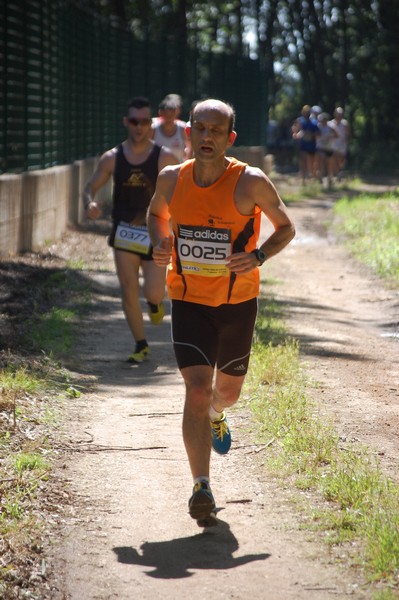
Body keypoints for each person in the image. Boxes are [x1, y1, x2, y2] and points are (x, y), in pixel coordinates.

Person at [147, 99, 295, 527]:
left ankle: (217, 414)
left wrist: (259, 256)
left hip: (236, 304)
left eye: (216, 130)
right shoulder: (172, 178)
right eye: (200, 128)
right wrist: (161, 242)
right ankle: (201, 485)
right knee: (196, 387)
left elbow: (286, 226)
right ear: (188, 132)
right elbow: (156, 215)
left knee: (224, 393)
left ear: (229, 138)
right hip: (190, 301)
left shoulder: (250, 181)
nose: (206, 136)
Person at [82, 96, 178, 363]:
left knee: (154, 292)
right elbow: (90, 185)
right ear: (126, 122)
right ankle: (140, 344)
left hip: (156, 232)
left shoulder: (165, 157)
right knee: (128, 289)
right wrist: (89, 202)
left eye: (144, 121)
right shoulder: (112, 158)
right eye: (134, 121)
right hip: (124, 232)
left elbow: (181, 192)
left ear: (151, 123)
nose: (139, 126)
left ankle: (156, 303)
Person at [151, 95, 190, 163]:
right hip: (157, 171)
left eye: (171, 115)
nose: (169, 118)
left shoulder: (182, 128)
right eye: (166, 115)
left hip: (178, 170)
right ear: (160, 113)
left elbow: (190, 147)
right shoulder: (153, 129)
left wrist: (186, 162)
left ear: (176, 113)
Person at [291, 104, 319, 180]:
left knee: (312, 162)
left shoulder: (314, 122)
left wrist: (309, 134)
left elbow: (317, 133)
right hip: (302, 145)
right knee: (303, 160)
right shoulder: (300, 120)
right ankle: (303, 177)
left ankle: (313, 176)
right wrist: (296, 134)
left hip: (312, 145)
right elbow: (295, 129)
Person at [316, 112, 338, 184]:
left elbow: (336, 135)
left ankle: (329, 176)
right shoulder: (318, 126)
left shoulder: (331, 126)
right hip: (321, 147)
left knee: (329, 163)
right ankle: (321, 176)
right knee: (321, 161)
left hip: (329, 147)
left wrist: (329, 136)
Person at [328, 107, 350, 178]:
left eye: (340, 114)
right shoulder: (331, 123)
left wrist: (346, 139)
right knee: (334, 158)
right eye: (338, 114)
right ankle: (337, 174)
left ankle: (339, 170)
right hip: (333, 144)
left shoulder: (345, 123)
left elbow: (348, 133)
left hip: (342, 144)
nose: (339, 115)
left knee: (341, 160)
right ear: (335, 114)